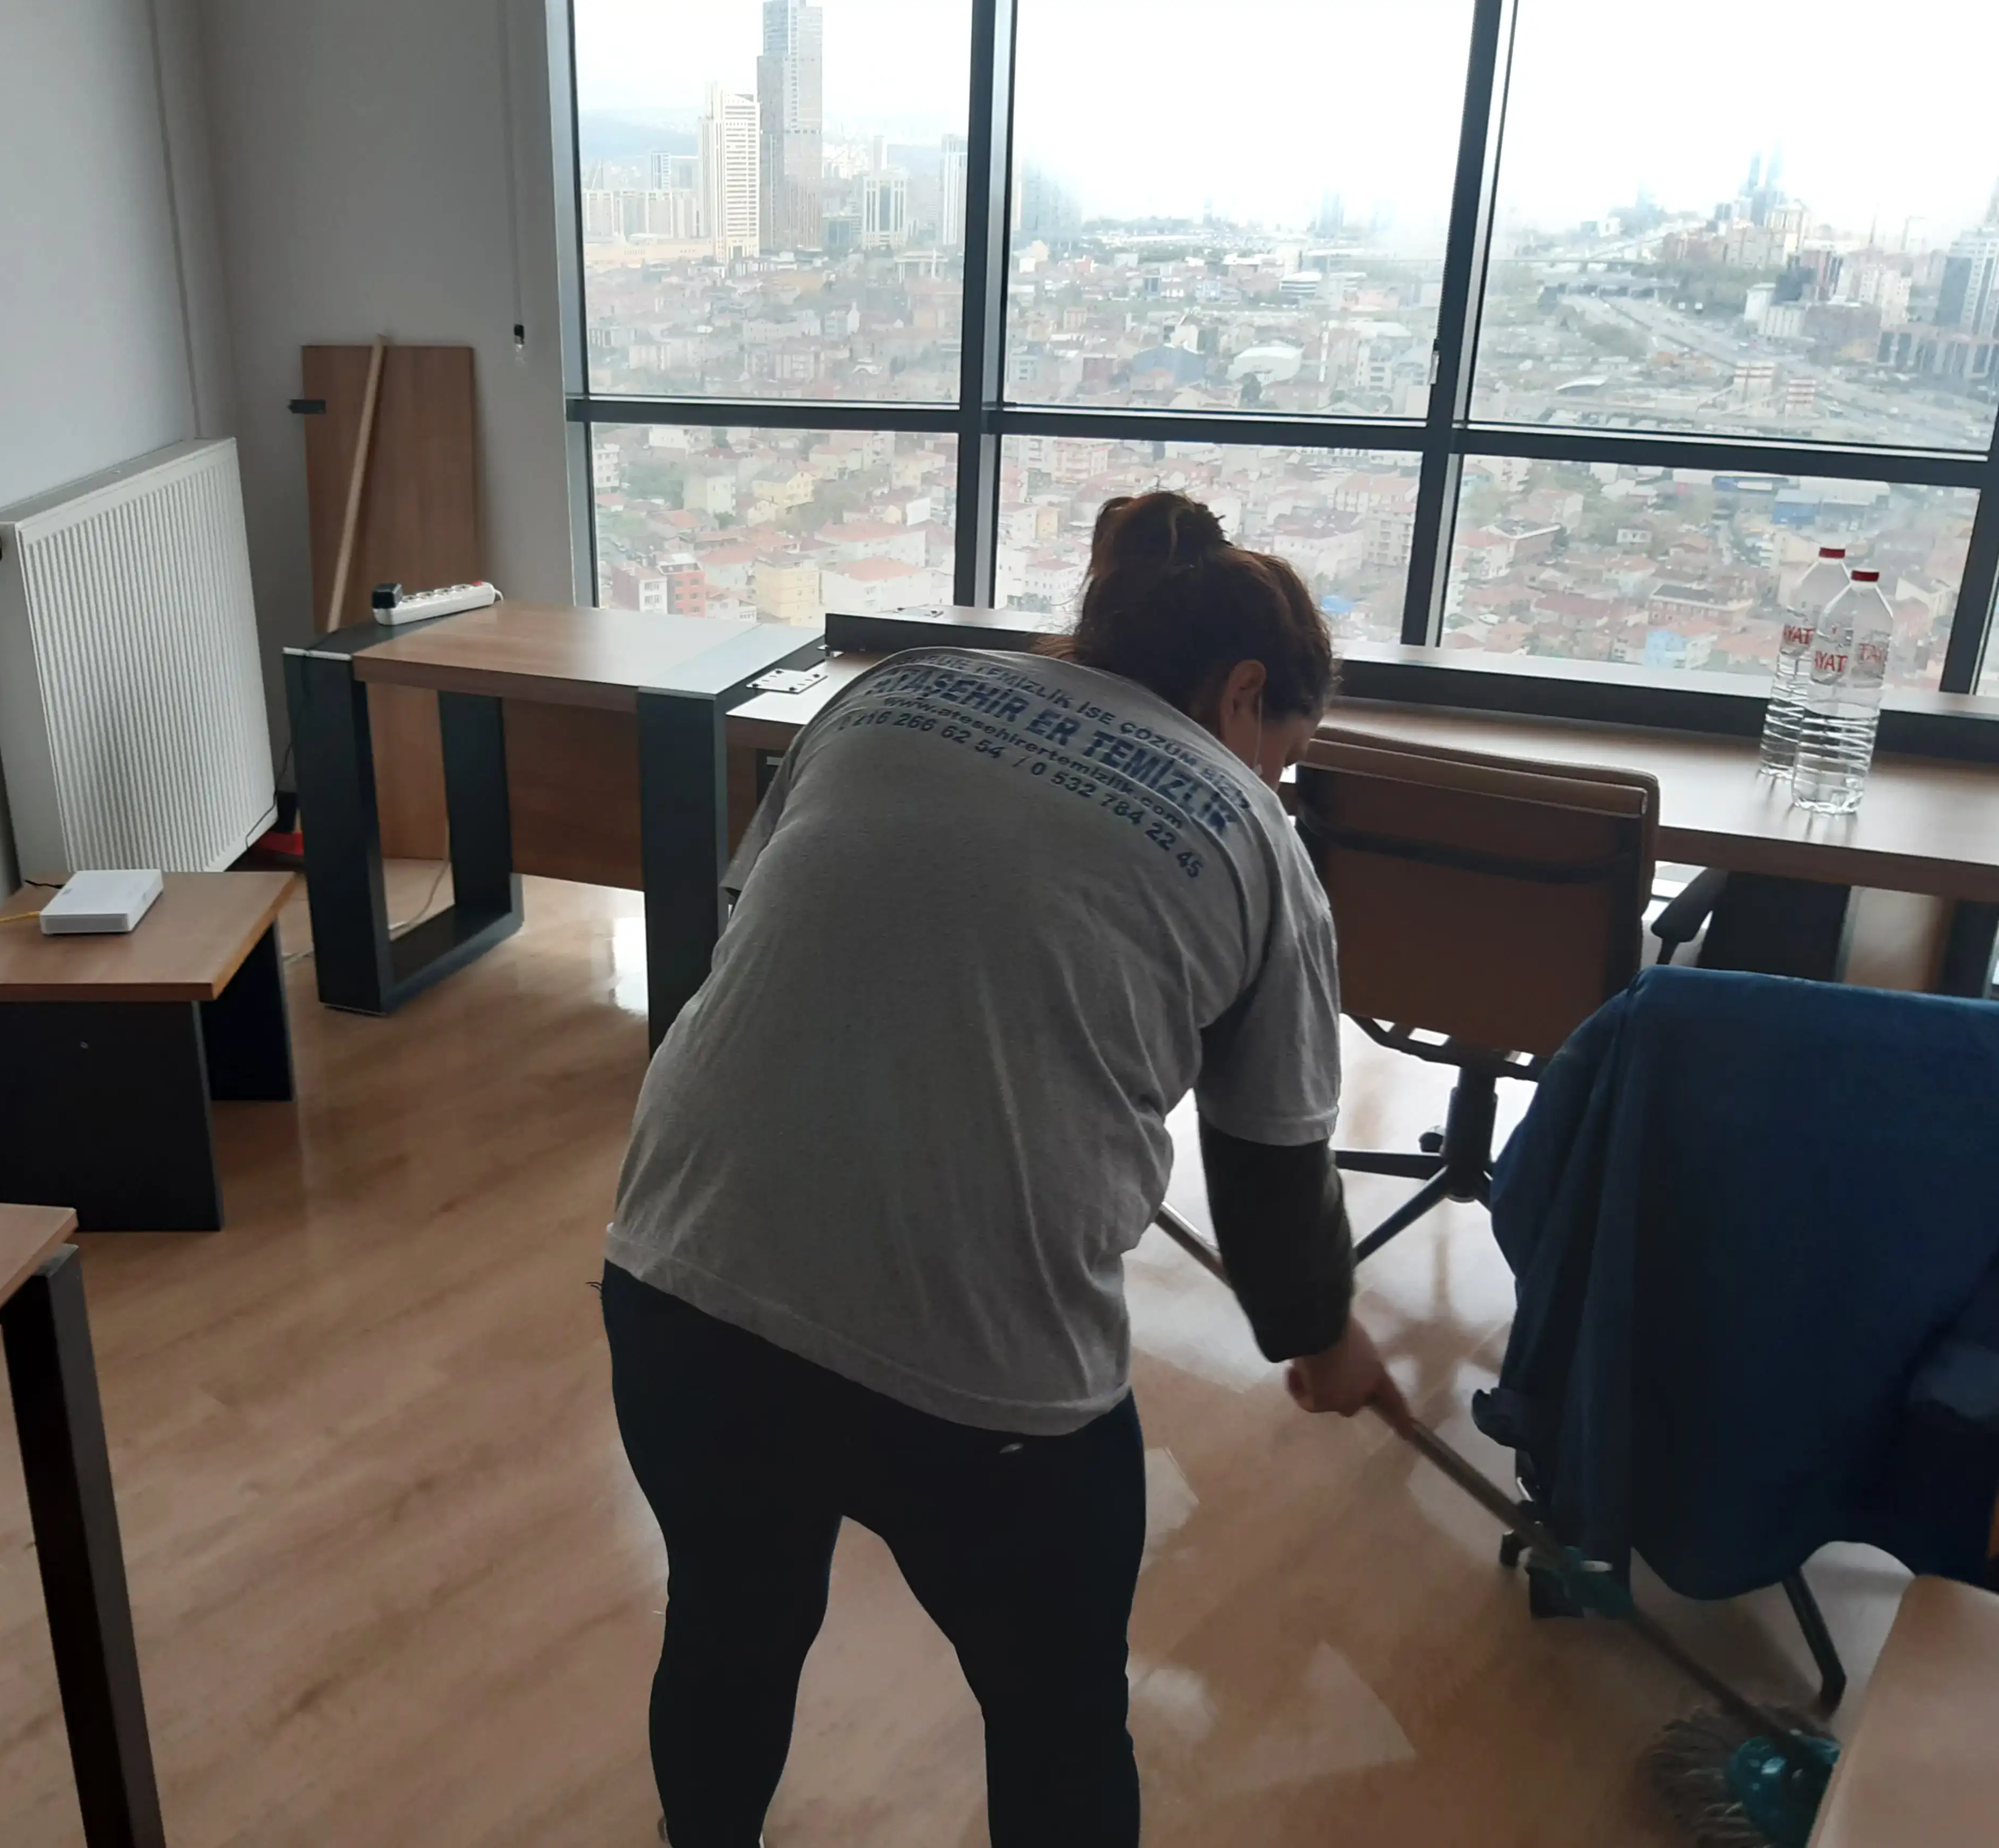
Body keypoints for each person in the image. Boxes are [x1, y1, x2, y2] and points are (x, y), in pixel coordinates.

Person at [602, 490, 1407, 1847]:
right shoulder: (1255, 841)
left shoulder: (889, 693)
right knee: (1059, 1718)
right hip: (984, 1382)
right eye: (1285, 751)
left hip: (683, 1279)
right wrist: (1323, 1340)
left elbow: (781, 933)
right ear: (1245, 691)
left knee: (731, 1625)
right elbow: (1273, 1183)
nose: (1274, 782)